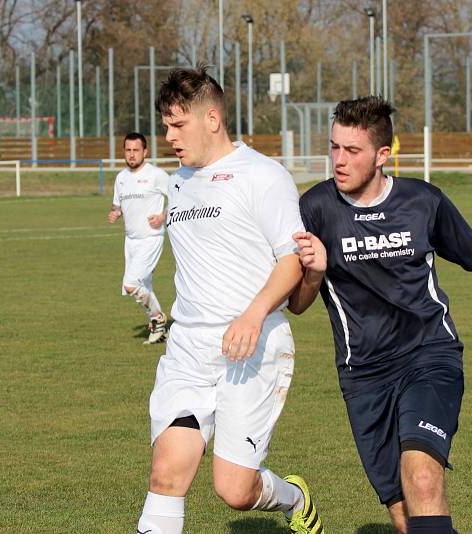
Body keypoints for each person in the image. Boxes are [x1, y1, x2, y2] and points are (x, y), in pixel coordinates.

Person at [288, 96, 472, 534]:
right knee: (405, 512)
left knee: (423, 479)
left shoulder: (422, 201)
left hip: (428, 354)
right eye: (334, 148)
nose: (339, 160)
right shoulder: (315, 208)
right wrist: (314, 273)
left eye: (353, 151)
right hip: (362, 375)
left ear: (382, 155)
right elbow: (298, 304)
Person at [136, 64, 324, 534]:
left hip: (253, 346)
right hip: (189, 350)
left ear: (212, 119)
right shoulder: (177, 182)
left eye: (178, 124)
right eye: (165, 125)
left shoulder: (262, 175)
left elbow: (291, 259)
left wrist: (254, 313)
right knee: (167, 472)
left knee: (234, 490)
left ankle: (295, 498)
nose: (169, 136)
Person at [109, 132, 170, 344]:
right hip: (131, 241)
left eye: (136, 150)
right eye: (128, 150)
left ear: (145, 152)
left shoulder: (156, 175)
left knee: (130, 284)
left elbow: (180, 197)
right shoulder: (121, 178)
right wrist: (115, 212)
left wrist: (163, 216)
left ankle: (157, 317)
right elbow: (118, 204)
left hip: (150, 239)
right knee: (144, 287)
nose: (131, 154)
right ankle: (159, 330)